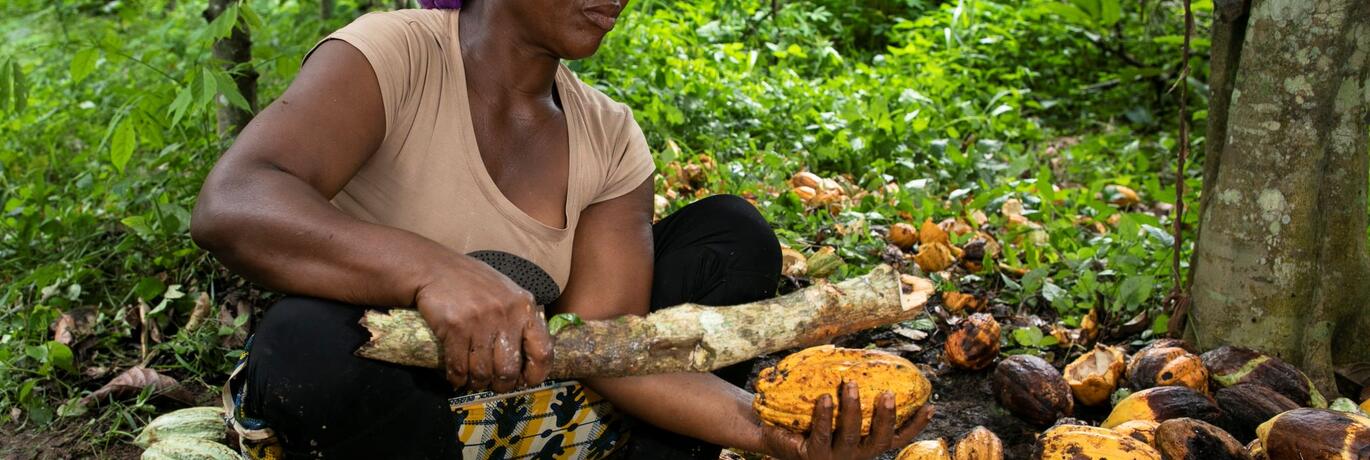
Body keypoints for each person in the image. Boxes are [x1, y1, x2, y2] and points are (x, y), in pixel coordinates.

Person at [189, 0, 934, 458]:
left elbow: (611, 345)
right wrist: (431, 270)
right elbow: (235, 203)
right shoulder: (394, 54)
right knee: (303, 342)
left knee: (729, 236)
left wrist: (764, 430)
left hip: (533, 410)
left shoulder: (608, 134)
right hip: (391, 418)